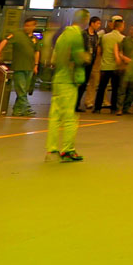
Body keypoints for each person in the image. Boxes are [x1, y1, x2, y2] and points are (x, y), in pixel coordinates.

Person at [47, 11, 88, 163]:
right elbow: (78, 58)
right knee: (70, 117)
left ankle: (51, 149)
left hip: (58, 78)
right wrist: (86, 57)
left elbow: (54, 59)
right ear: (85, 20)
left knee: (55, 116)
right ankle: (68, 150)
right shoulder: (76, 36)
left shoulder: (61, 36)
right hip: (69, 80)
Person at [2, 20, 40, 116]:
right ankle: (27, 108)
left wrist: (36, 65)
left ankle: (17, 110)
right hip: (19, 66)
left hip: (30, 67)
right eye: (25, 25)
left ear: (34, 26)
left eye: (29, 26)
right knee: (21, 89)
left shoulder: (34, 39)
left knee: (24, 89)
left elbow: (37, 52)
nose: (27, 28)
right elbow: (5, 40)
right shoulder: (17, 35)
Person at [91, 17, 125, 113]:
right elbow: (121, 52)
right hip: (115, 67)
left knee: (101, 88)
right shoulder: (122, 38)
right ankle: (113, 108)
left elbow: (99, 51)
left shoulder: (105, 37)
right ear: (121, 26)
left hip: (104, 66)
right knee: (115, 88)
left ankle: (97, 107)